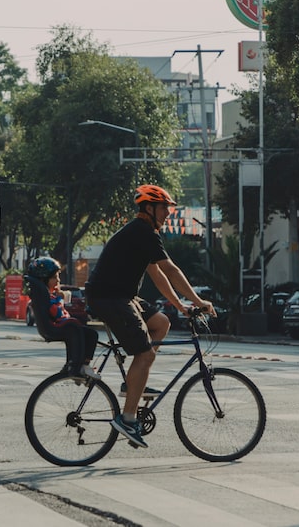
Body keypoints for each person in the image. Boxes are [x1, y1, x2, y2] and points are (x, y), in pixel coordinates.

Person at [85, 184, 216, 448]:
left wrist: (180, 307)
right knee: (144, 354)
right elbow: (172, 270)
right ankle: (128, 418)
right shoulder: (143, 231)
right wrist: (199, 301)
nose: (168, 213)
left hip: (121, 297)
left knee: (161, 323)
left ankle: (132, 384)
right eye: (165, 207)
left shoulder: (141, 234)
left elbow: (157, 274)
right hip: (110, 298)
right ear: (149, 208)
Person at [26, 257, 100, 380]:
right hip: (58, 326)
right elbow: (55, 309)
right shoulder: (45, 297)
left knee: (90, 334)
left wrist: (62, 295)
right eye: (55, 277)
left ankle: (75, 364)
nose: (58, 280)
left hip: (57, 324)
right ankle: (77, 366)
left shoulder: (44, 295)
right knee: (78, 329)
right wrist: (61, 297)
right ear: (44, 280)